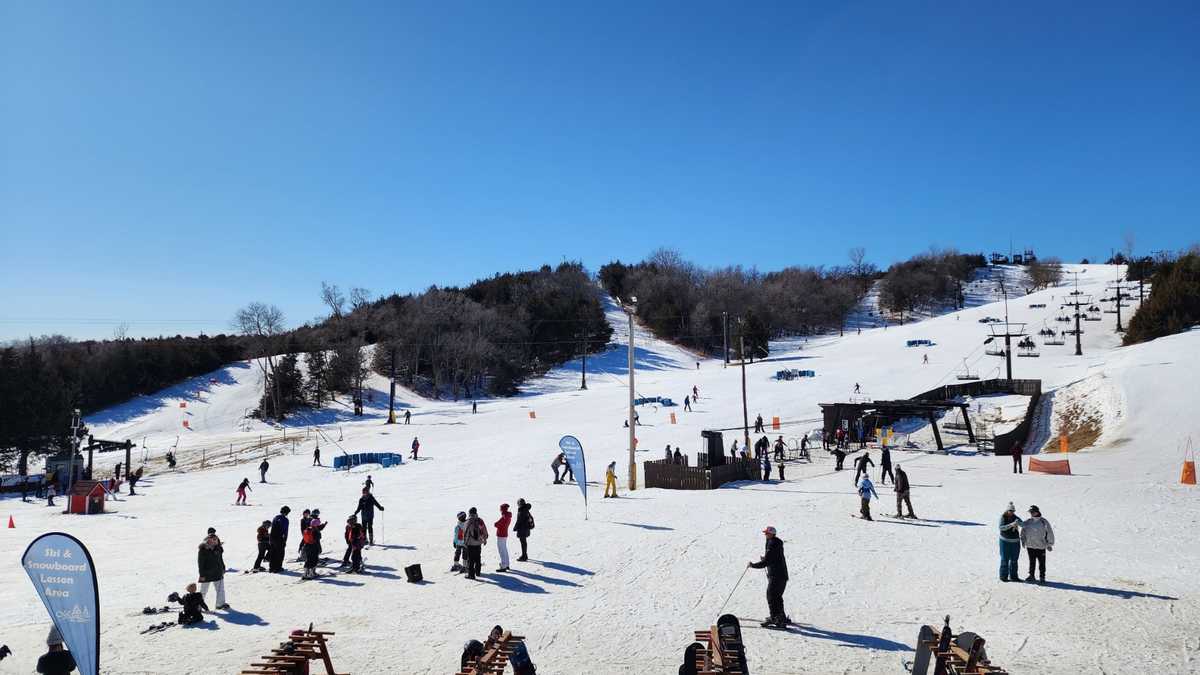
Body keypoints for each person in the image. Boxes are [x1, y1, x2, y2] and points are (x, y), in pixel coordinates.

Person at [747, 526, 789, 628]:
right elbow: (772, 558)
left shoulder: (773, 544)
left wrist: (753, 565)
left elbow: (766, 562)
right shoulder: (775, 542)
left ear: (772, 534)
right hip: (781, 575)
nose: (765, 535)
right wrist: (766, 558)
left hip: (776, 576)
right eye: (765, 533)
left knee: (771, 596)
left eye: (767, 533)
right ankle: (781, 617)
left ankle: (775, 618)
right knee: (777, 597)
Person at [1020, 505, 1055, 583]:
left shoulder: (1044, 522)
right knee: (1032, 562)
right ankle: (1031, 576)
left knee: (1042, 563)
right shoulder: (1028, 521)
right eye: (1030, 512)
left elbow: (1049, 532)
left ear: (1037, 512)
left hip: (1041, 546)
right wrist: (1023, 540)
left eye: (1032, 512)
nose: (1031, 514)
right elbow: (1023, 530)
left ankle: (1042, 577)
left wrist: (1049, 544)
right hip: (1030, 545)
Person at [197, 528, 229, 609]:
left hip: (217, 572)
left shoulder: (218, 548)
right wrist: (202, 574)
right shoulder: (203, 550)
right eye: (213, 539)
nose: (215, 541)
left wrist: (223, 567)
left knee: (220, 590)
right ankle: (199, 606)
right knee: (203, 591)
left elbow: (220, 559)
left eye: (216, 539)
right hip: (206, 573)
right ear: (208, 540)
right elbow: (200, 563)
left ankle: (220, 604)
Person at [998, 502, 1023, 582]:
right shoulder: (1003, 517)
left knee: (1014, 560)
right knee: (1005, 559)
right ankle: (1003, 576)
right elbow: (1001, 528)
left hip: (1015, 542)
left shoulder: (1016, 517)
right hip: (1005, 541)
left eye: (1013, 511)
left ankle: (1014, 576)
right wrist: (1011, 525)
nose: (1011, 512)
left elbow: (1023, 525)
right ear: (1007, 510)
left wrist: (1018, 523)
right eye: (1010, 511)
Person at [463, 507, 488, 579]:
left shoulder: (468, 521)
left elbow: (466, 533)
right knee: (478, 558)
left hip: (470, 544)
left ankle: (471, 575)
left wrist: (465, 542)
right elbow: (484, 530)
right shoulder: (480, 520)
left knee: (470, 560)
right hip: (478, 543)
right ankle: (478, 572)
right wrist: (485, 539)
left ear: (470, 513)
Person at [269, 506, 290, 573]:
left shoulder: (276, 517)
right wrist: (285, 540)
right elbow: (285, 531)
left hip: (272, 537)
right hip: (279, 538)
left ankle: (271, 567)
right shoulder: (285, 520)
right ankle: (278, 567)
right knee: (280, 553)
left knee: (273, 552)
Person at [495, 503, 512, 572]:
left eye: (500, 508)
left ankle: (503, 565)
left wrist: (496, 524)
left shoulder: (504, 516)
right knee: (504, 549)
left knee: (502, 551)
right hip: (504, 534)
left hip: (501, 535)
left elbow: (497, 524)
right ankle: (507, 564)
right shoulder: (507, 516)